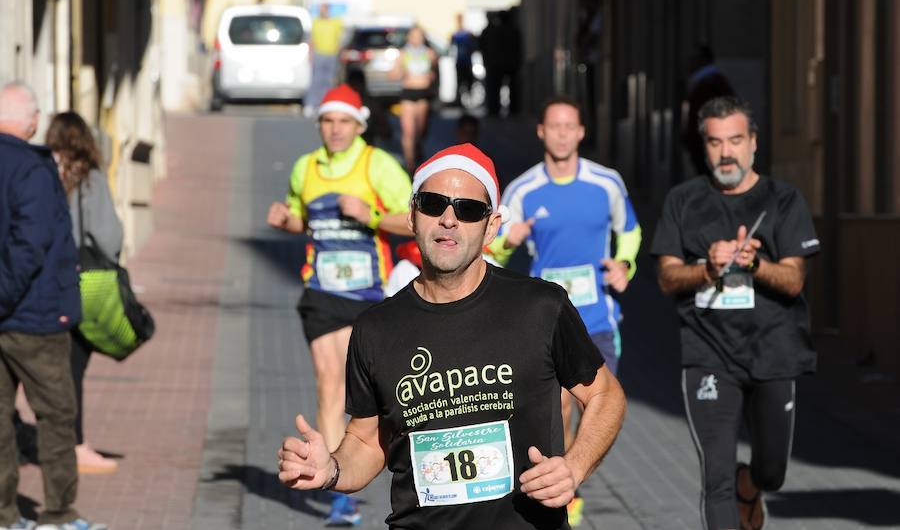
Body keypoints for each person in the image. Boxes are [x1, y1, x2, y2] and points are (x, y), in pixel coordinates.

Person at [278, 143, 626, 530]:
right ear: (412, 216)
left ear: (492, 226)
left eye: (468, 209)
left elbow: (605, 395)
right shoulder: (376, 327)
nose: (448, 219)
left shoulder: (541, 305)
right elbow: (366, 441)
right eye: (432, 203)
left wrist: (574, 467)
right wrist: (331, 470)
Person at [650, 96, 820, 530]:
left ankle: (753, 483)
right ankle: (735, 487)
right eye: (715, 142)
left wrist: (753, 264)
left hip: (773, 353)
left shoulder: (785, 201)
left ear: (754, 143)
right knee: (716, 478)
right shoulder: (683, 201)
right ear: (703, 146)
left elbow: (795, 280)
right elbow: (668, 279)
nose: (726, 152)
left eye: (736, 140)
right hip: (708, 354)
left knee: (772, 472)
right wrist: (707, 268)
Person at [487, 96, 641, 525]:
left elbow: (629, 230)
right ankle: (564, 489)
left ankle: (568, 472)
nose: (560, 133)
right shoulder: (523, 189)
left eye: (568, 126)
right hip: (548, 321)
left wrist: (625, 264)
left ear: (580, 133)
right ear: (541, 131)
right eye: (552, 126)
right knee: (561, 405)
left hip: (596, 318)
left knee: (597, 406)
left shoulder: (605, 183)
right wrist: (509, 240)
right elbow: (489, 246)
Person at [266, 83, 412, 525]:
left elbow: (414, 219)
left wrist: (367, 214)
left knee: (368, 393)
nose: (335, 129)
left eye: (344, 121)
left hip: (370, 295)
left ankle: (381, 465)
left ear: (359, 125)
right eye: (328, 121)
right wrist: (286, 220)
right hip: (322, 293)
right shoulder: (304, 168)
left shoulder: (378, 164)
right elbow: (301, 218)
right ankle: (336, 489)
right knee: (330, 384)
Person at [0, 81, 107, 530]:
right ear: (27, 120)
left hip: (18, 308)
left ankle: (5, 515)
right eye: (36, 113)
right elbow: (32, 243)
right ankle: (59, 514)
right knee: (57, 415)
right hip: (32, 314)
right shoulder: (32, 166)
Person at [45, 112, 123, 475]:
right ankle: (73, 445)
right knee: (73, 368)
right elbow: (109, 237)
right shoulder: (89, 179)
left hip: (37, 286)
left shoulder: (38, 173)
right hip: (77, 286)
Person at [682, 45, 734, 179]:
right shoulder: (701, 82)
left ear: (702, 61)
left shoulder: (710, 83)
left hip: (706, 139)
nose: (690, 63)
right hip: (701, 139)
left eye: (694, 59)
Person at [391, 25, 436, 172]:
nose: (416, 39)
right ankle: (410, 165)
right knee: (408, 131)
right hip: (408, 94)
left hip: (423, 94)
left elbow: (435, 72)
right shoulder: (403, 54)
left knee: (421, 130)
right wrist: (399, 73)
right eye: (414, 36)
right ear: (409, 38)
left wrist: (432, 77)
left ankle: (417, 149)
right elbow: (392, 74)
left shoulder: (429, 54)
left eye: (419, 36)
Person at [305, 3, 345, 117]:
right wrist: (310, 53)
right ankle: (311, 104)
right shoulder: (316, 22)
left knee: (328, 81)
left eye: (324, 8)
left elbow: (340, 38)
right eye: (320, 8)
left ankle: (325, 104)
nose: (322, 10)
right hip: (319, 54)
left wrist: (340, 50)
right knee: (316, 80)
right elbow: (311, 39)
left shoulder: (336, 22)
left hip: (332, 55)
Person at [449, 13, 477, 106]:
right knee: (461, 82)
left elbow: (473, 47)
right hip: (461, 61)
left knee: (468, 81)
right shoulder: (456, 34)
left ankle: (468, 100)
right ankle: (460, 100)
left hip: (466, 61)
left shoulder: (466, 34)